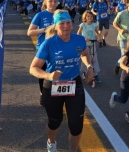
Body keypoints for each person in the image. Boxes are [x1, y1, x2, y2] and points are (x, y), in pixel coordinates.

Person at [29, 10, 94, 152]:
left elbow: (84, 53)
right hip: (53, 85)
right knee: (54, 122)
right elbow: (33, 68)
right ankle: (51, 143)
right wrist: (48, 75)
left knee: (76, 126)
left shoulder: (79, 39)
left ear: (72, 24)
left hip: (74, 83)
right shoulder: (49, 44)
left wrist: (89, 66)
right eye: (62, 23)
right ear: (56, 25)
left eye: (68, 23)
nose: (66, 26)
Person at [27, 0, 58, 106]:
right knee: (43, 73)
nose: (53, 3)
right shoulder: (40, 15)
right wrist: (44, 30)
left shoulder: (60, 14)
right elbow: (30, 32)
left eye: (55, 1)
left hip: (58, 48)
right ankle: (43, 93)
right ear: (46, 2)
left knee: (56, 72)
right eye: (50, 1)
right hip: (43, 48)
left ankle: (56, 94)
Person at [77, 10, 102, 84]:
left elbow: (98, 33)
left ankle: (95, 74)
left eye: (91, 16)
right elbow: (78, 34)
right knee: (86, 59)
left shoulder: (94, 25)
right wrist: (83, 39)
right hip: (84, 45)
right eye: (88, 16)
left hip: (93, 43)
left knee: (94, 59)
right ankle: (84, 72)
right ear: (85, 17)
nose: (89, 18)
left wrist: (99, 37)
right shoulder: (83, 25)